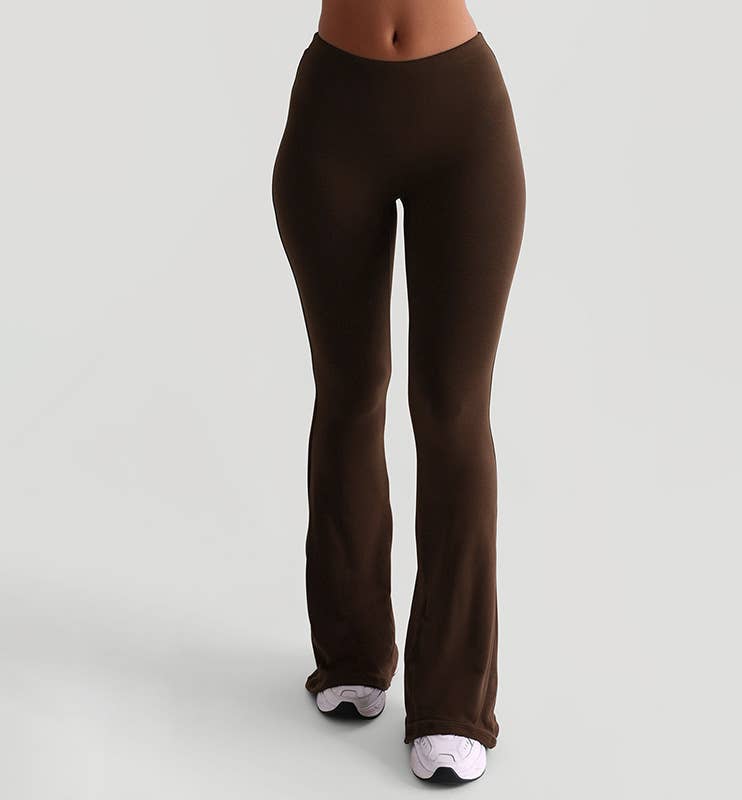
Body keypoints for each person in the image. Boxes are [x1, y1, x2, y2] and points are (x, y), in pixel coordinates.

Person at [271, 0, 526, 783]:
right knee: (349, 392)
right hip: (334, 114)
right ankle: (350, 653)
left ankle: (452, 704)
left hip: (462, 120)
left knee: (453, 411)